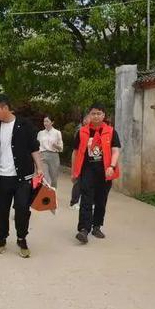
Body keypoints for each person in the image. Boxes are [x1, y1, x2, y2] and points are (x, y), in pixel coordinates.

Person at [0, 94, 44, 258]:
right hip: (1, 178)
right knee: (1, 210)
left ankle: (22, 238)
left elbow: (34, 148)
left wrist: (40, 168)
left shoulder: (25, 125)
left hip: (23, 177)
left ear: (5, 108)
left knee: (22, 209)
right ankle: (2, 238)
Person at [72, 104, 121, 244]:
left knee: (101, 200)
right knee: (86, 199)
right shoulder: (82, 132)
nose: (96, 116)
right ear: (89, 115)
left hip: (105, 171)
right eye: (93, 113)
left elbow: (115, 150)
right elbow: (75, 152)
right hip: (87, 170)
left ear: (103, 115)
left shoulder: (111, 132)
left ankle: (97, 226)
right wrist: (74, 172)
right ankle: (83, 229)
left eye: (99, 113)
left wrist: (112, 166)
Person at [37, 116, 63, 189]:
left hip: (53, 156)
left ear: (52, 122)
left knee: (54, 178)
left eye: (47, 121)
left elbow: (61, 148)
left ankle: (53, 194)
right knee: (44, 177)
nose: (45, 123)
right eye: (44, 121)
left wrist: (56, 145)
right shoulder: (40, 133)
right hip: (43, 155)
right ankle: (44, 195)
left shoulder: (57, 133)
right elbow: (38, 146)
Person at [70, 114, 89, 209]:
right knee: (78, 182)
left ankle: (88, 202)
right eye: (87, 118)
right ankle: (74, 202)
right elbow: (75, 151)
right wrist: (73, 169)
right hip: (80, 162)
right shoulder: (80, 131)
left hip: (90, 163)